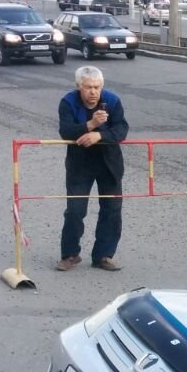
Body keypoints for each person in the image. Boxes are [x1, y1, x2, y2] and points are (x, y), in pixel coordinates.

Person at [56, 65, 130, 272]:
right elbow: (66, 131)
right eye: (88, 87)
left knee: (112, 210)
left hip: (109, 164)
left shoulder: (113, 101)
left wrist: (100, 135)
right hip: (80, 164)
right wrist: (89, 125)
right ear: (79, 86)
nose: (93, 92)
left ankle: (103, 256)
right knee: (75, 210)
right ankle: (70, 254)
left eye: (97, 87)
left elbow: (121, 130)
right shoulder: (68, 102)